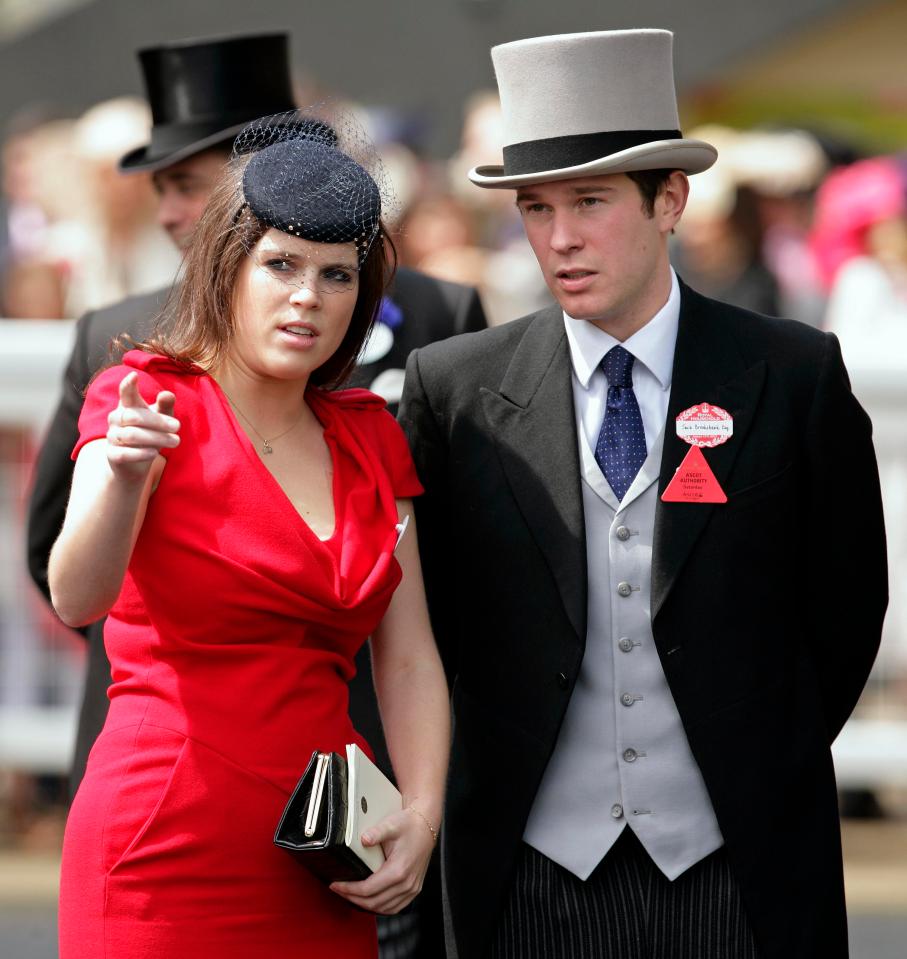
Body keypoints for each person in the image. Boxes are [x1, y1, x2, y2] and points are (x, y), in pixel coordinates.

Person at [398, 29, 887, 959]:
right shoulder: (455, 387)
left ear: (670, 198)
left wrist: (751, 751)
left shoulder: (789, 374)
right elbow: (436, 628)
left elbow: (844, 607)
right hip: (530, 864)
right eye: (536, 208)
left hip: (735, 861)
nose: (560, 236)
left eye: (589, 200)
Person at [25, 31, 484, 806]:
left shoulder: (429, 317)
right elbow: (60, 561)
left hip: (356, 769)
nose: (171, 209)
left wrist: (418, 795)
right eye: (159, 185)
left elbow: (450, 552)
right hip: (172, 757)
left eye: (188, 181)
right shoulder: (126, 352)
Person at [49, 115, 449, 958]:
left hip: (325, 854)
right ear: (227, 265)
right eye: (281, 264)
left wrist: (421, 811)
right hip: (160, 845)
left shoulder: (370, 434)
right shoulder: (144, 396)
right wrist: (122, 480)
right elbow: (75, 595)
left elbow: (408, 656)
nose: (308, 296)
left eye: (337, 275)